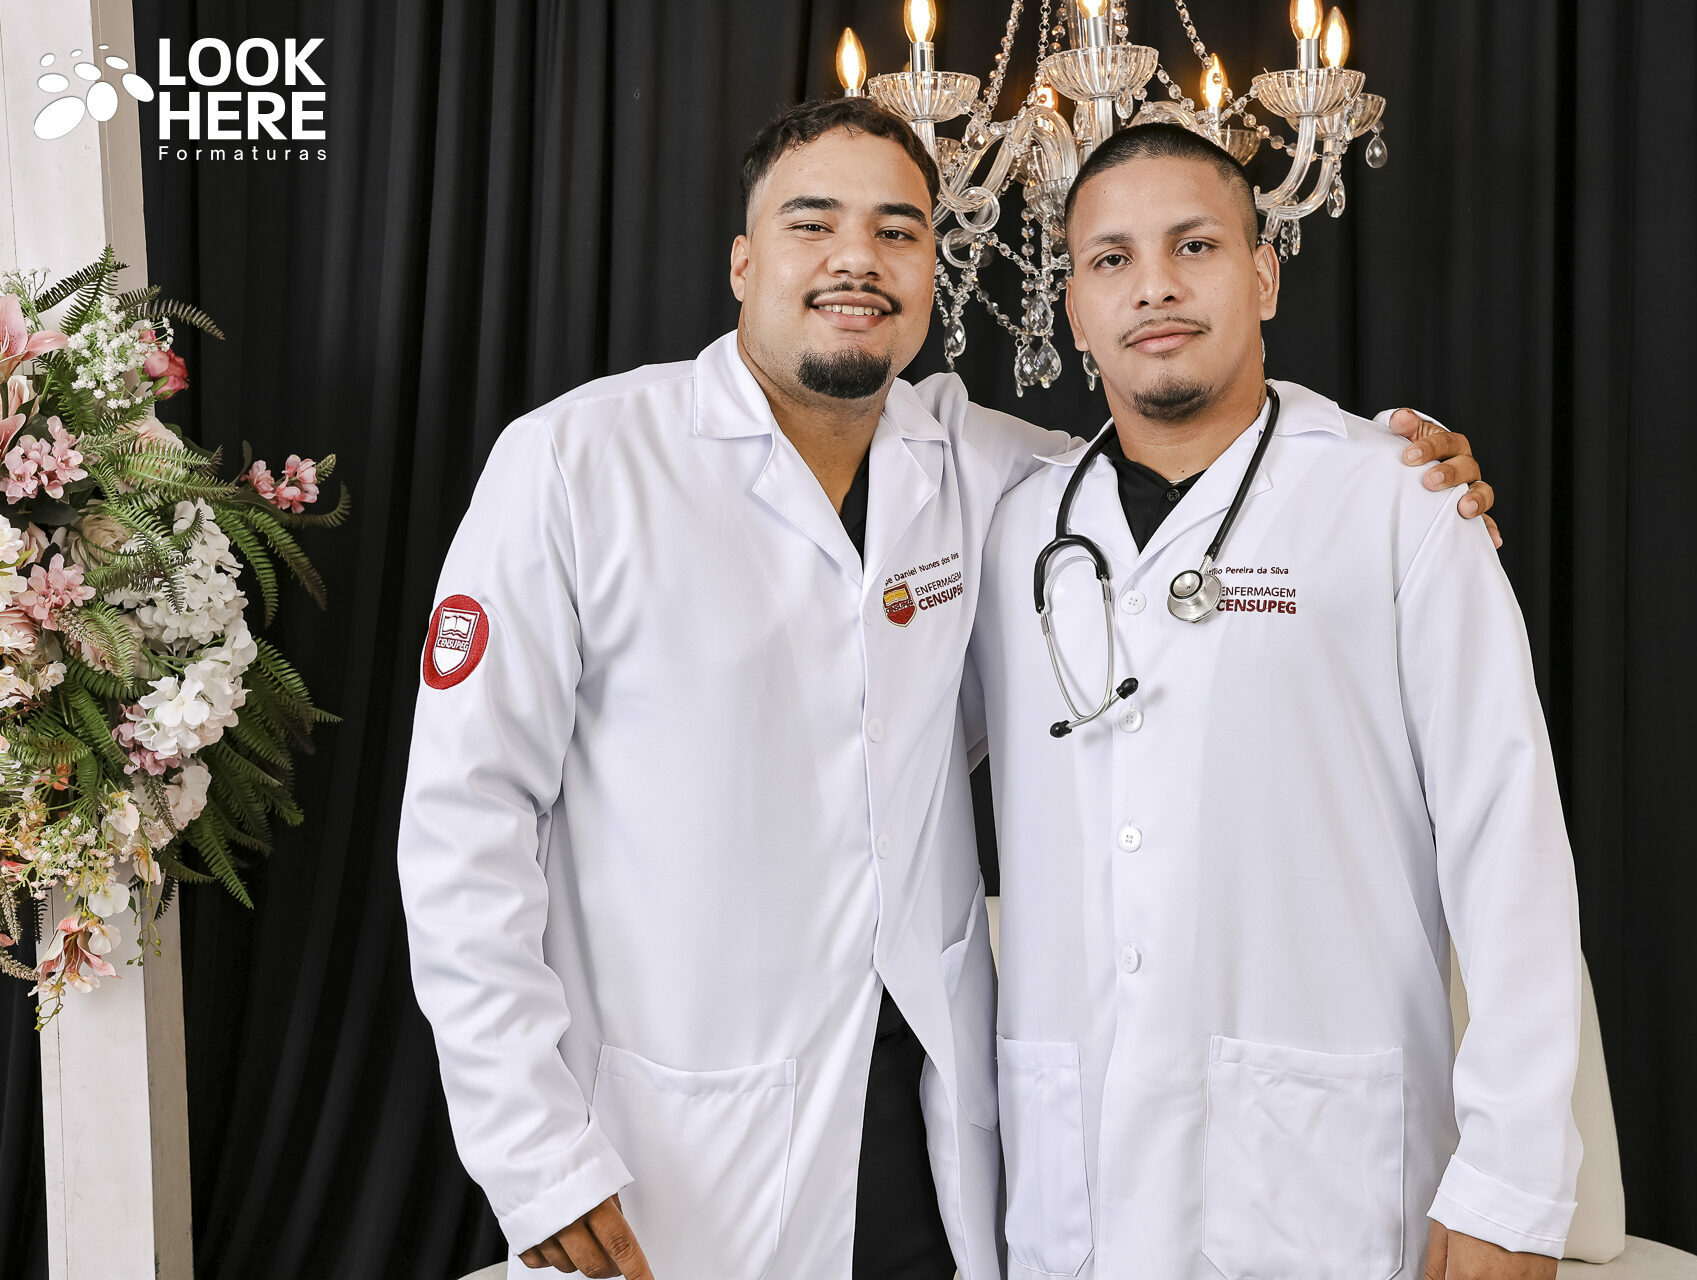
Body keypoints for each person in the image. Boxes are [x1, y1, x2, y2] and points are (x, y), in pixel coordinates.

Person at [396, 99, 1496, 1280]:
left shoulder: (982, 467)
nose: (856, 259)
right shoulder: (577, 462)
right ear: (744, 262)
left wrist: (1389, 463)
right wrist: (530, 1144)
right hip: (671, 1134)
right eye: (812, 224)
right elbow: (466, 824)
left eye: (898, 230)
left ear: (933, 269)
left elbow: (1194, 460)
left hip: (925, 1139)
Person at [964, 124, 1582, 1280]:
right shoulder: (1014, 531)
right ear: (1075, 308)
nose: (1154, 285)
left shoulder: (1397, 499)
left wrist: (1514, 1181)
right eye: (1110, 259)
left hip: (1329, 1182)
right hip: (1071, 1191)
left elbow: (1509, 845)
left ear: (1263, 276)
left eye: (1194, 245)